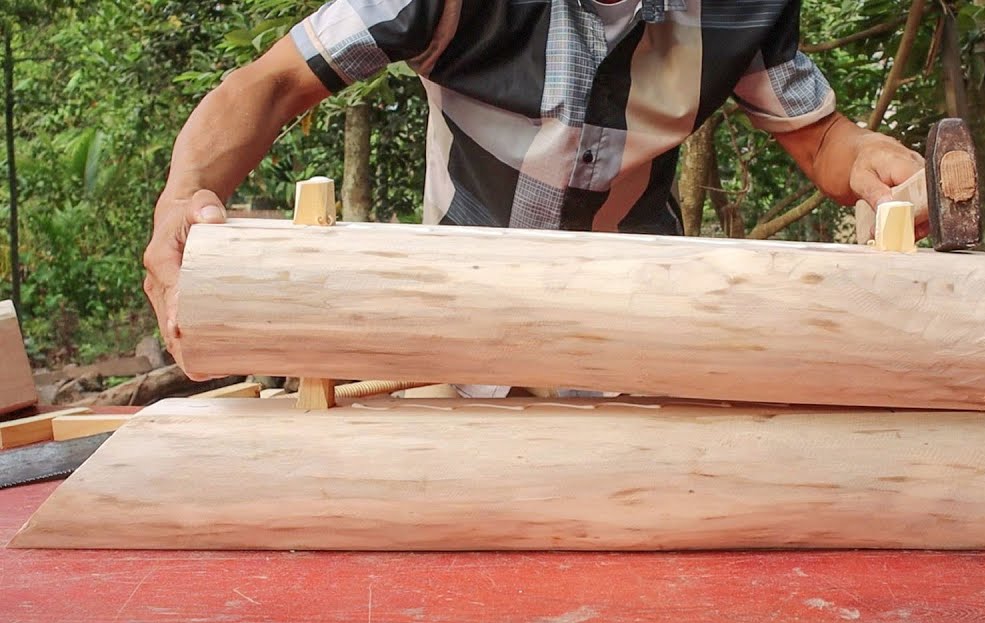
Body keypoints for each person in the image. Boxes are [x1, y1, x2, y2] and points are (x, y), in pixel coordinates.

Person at [144, 0, 928, 382]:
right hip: (452, 330)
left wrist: (873, 164)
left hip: (650, 341)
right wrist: (185, 195)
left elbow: (822, 137)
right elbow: (274, 82)